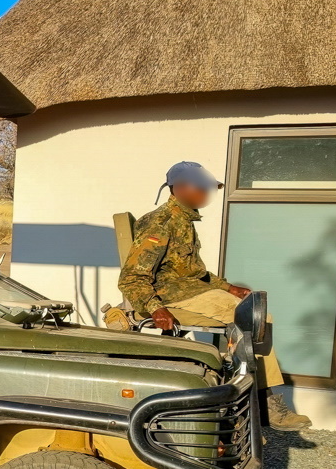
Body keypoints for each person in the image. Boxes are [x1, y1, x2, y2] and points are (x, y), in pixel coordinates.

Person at [119, 160, 311, 431]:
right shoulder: (159, 223)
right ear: (181, 188)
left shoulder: (183, 219)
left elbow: (194, 272)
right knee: (256, 318)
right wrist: (154, 308)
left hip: (192, 290)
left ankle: (245, 403)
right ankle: (265, 405)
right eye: (202, 189)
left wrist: (227, 287)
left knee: (255, 312)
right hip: (173, 296)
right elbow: (132, 278)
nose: (207, 195)